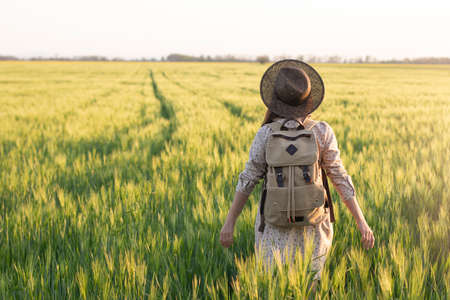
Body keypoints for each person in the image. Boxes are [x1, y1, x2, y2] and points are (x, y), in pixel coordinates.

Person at [219, 59, 375, 289]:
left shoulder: (265, 134)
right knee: (309, 288)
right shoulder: (321, 131)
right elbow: (340, 177)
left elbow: (248, 179)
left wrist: (229, 222)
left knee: (273, 287)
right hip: (313, 229)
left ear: (276, 99)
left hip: (273, 229)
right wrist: (361, 222)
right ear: (309, 99)